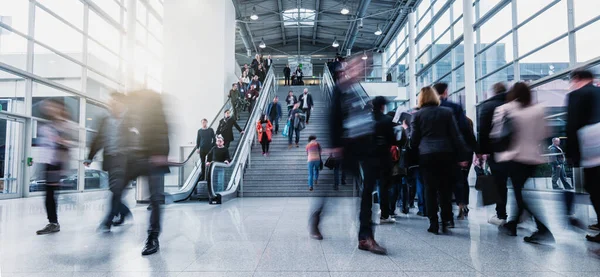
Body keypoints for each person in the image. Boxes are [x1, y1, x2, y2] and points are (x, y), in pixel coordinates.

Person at [326, 57, 393, 255]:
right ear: (346, 69)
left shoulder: (358, 90)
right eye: (356, 66)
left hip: (367, 146)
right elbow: (333, 117)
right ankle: (320, 215)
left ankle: (365, 237)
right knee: (345, 191)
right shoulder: (340, 88)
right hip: (351, 147)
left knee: (367, 191)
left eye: (363, 68)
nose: (360, 70)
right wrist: (335, 145)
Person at [494, 82, 553, 244]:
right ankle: (512, 224)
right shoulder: (538, 110)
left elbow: (497, 133)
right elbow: (544, 133)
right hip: (533, 157)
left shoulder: (505, 109)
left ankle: (542, 228)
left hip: (514, 156)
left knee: (520, 193)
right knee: (519, 191)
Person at [410, 86, 469, 235]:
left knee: (429, 189)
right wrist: (462, 156)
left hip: (427, 155)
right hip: (446, 154)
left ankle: (433, 222)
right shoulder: (447, 112)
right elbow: (456, 136)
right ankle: (446, 219)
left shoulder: (417, 115)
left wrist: (413, 151)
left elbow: (414, 139)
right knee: (445, 189)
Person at [122, 90, 170, 256]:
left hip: (154, 159)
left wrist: (162, 154)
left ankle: (152, 237)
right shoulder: (135, 113)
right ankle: (117, 213)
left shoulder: (156, 112)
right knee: (119, 186)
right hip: (138, 157)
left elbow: (164, 132)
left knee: (155, 198)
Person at [86, 92, 132, 232]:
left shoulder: (130, 119)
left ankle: (108, 220)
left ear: (122, 104)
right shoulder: (105, 120)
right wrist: (90, 156)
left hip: (125, 159)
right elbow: (98, 139)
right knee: (115, 189)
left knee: (117, 189)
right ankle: (123, 211)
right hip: (111, 159)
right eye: (111, 102)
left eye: (115, 102)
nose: (112, 104)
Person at [565, 69, 600, 241]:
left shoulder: (576, 95)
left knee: (594, 187)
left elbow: (572, 126)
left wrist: (571, 154)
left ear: (577, 79)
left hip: (591, 149)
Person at [433, 82, 474, 226]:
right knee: (460, 179)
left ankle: (444, 214)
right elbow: (464, 131)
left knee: (441, 184)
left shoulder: (428, 108)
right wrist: (472, 151)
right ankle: (462, 204)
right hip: (455, 151)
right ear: (445, 92)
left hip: (436, 152)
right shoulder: (455, 108)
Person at [36, 99, 73, 235]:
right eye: (47, 107)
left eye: (52, 106)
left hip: (56, 163)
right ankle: (52, 222)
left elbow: (69, 144)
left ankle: (53, 222)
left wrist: (61, 141)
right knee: (49, 193)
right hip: (48, 162)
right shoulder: (48, 124)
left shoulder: (64, 125)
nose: (48, 109)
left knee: (50, 193)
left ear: (59, 108)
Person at [477, 82, 510, 226]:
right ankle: (521, 213)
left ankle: (501, 214)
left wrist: (481, 151)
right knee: (516, 184)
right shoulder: (514, 104)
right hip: (515, 150)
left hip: (496, 151)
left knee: (499, 183)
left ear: (493, 91)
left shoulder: (487, 106)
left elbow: (483, 131)